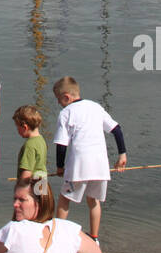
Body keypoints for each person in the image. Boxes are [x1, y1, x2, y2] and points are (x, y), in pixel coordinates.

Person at [52, 77, 126, 242]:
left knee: (65, 199)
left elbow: (62, 144)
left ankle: (58, 236)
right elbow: (117, 130)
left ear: (66, 97)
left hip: (79, 166)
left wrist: (60, 166)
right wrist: (122, 154)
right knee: (94, 201)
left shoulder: (66, 113)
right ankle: (94, 237)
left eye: (59, 99)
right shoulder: (96, 107)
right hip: (100, 166)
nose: (58, 103)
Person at [13, 106, 47, 186]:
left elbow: (26, 173)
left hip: (31, 186)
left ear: (25, 127)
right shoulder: (41, 140)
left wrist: (21, 189)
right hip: (42, 184)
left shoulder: (29, 145)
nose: (17, 130)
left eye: (17, 127)